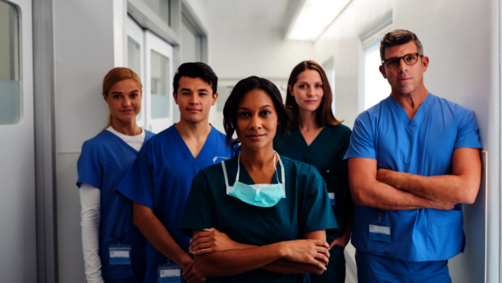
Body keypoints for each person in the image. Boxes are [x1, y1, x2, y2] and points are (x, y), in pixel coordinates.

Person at [345, 29, 482, 282]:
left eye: (409, 58)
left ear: (424, 62)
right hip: (378, 260)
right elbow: (363, 191)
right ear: (383, 71)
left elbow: (466, 189)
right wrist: (432, 201)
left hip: (434, 259)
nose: (402, 67)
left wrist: (392, 178)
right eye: (393, 62)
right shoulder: (368, 123)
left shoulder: (459, 119)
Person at [180, 76, 338, 283]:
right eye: (244, 114)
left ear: (278, 118)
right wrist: (284, 249)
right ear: (234, 121)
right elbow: (204, 265)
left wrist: (234, 247)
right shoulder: (208, 182)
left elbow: (314, 264)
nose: (255, 124)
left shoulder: (306, 179)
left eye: (265, 113)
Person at [116, 62, 234, 283]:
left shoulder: (232, 150)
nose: (194, 101)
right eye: (186, 93)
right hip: (167, 267)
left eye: (202, 93)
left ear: (215, 98)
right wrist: (186, 262)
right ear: (175, 96)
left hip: (219, 268)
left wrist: (208, 264)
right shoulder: (154, 148)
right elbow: (141, 216)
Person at [273, 60, 353, 283]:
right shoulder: (277, 135)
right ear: (291, 90)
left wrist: (346, 234)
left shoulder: (343, 136)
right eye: (303, 86)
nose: (312, 93)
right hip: (285, 240)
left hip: (328, 241)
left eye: (318, 86)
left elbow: (352, 191)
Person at [77, 67, 154, 283]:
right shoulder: (95, 149)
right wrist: (93, 277)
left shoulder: (158, 144)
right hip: (119, 262)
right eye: (117, 96)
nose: (127, 103)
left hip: (158, 256)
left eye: (133, 95)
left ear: (141, 94)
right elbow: (90, 217)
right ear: (106, 98)